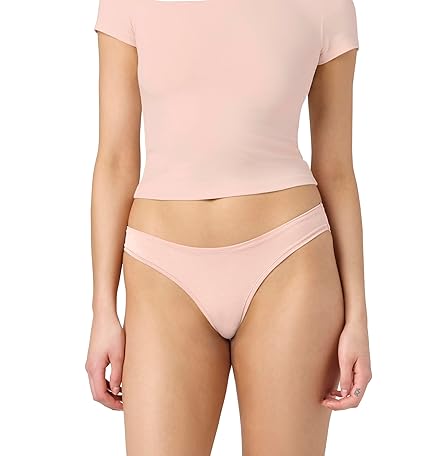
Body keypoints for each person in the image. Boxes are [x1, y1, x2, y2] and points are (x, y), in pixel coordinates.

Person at [85, 0, 372, 454]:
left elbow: (336, 169)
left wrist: (358, 316)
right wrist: (103, 308)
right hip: (162, 273)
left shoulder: (327, 4)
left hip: (288, 261)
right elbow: (116, 160)